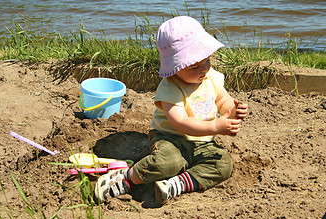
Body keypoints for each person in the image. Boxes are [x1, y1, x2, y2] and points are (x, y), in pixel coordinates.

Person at [94, 16, 248, 205]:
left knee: (223, 164)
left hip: (202, 142)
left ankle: (177, 184)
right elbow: (181, 123)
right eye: (194, 66)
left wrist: (234, 110)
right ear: (175, 67)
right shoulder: (169, 87)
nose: (204, 69)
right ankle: (126, 178)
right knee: (167, 163)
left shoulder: (211, 77)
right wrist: (216, 126)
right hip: (170, 139)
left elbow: (223, 100)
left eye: (207, 61)